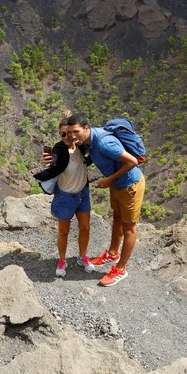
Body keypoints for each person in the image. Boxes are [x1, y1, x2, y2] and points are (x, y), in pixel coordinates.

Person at [57, 113, 145, 287]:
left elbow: (132, 162)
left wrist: (109, 180)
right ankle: (113, 253)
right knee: (117, 218)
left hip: (130, 185)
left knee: (129, 228)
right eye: (70, 133)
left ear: (87, 128)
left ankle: (120, 269)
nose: (73, 136)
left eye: (76, 132)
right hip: (118, 185)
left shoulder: (104, 143)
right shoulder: (87, 141)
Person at [33, 111, 95, 277]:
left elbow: (84, 129)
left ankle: (82, 257)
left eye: (70, 133)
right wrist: (47, 162)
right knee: (63, 231)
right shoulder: (59, 149)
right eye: (63, 134)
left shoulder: (81, 145)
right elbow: (54, 159)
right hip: (65, 196)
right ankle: (62, 259)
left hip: (82, 193)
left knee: (85, 227)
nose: (68, 137)